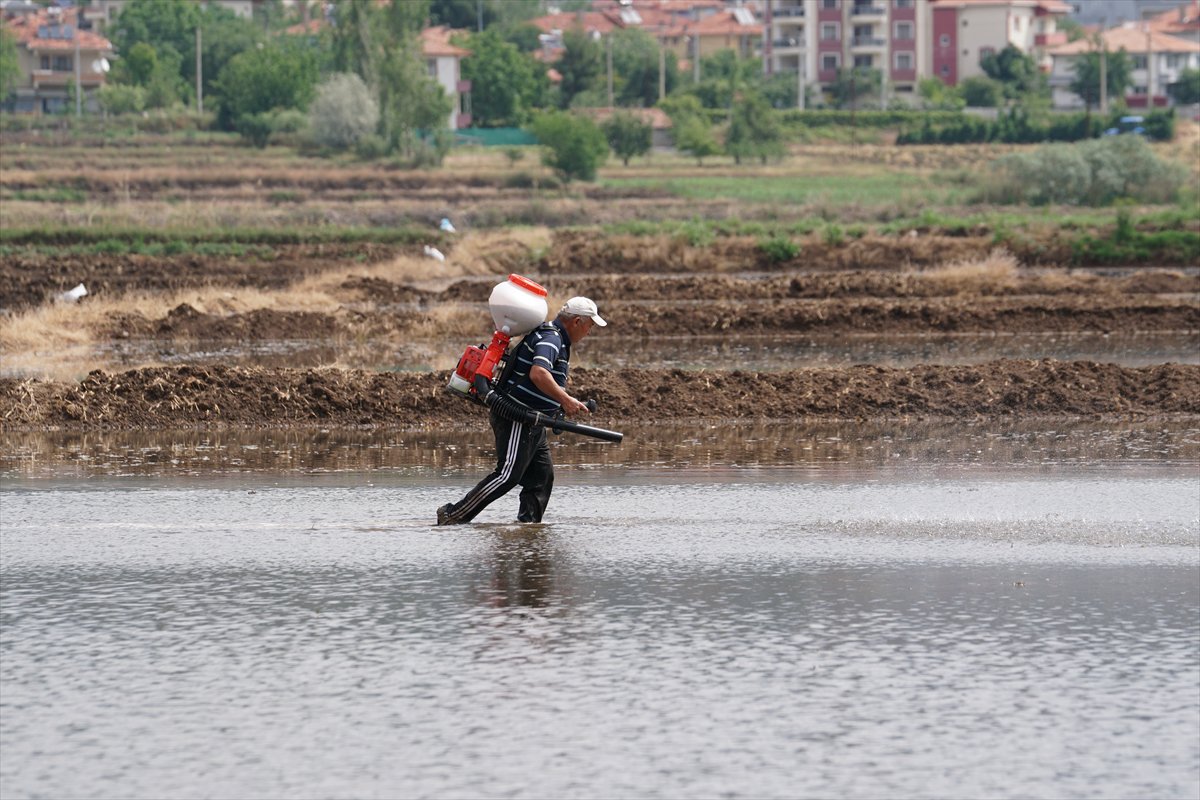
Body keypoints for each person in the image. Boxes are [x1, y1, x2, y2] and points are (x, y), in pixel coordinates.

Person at [437, 296, 607, 526]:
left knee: (541, 478)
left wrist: (558, 405)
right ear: (577, 321)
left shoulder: (553, 337)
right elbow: (538, 373)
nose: (590, 331)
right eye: (590, 325)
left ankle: (528, 528)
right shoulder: (551, 338)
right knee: (507, 475)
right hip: (518, 416)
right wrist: (566, 399)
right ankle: (453, 515)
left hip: (535, 420)